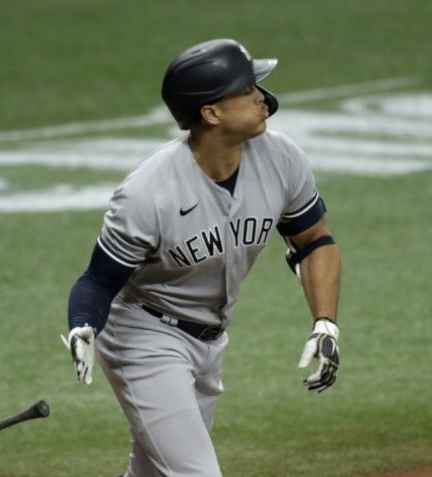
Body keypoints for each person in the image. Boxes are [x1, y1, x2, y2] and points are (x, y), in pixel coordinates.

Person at [62, 38, 342, 477]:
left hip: (211, 340)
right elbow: (98, 280)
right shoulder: (148, 193)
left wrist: (325, 322)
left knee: (154, 473)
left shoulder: (282, 159)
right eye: (246, 89)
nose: (262, 97)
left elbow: (313, 241)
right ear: (211, 113)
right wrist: (83, 323)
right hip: (144, 338)